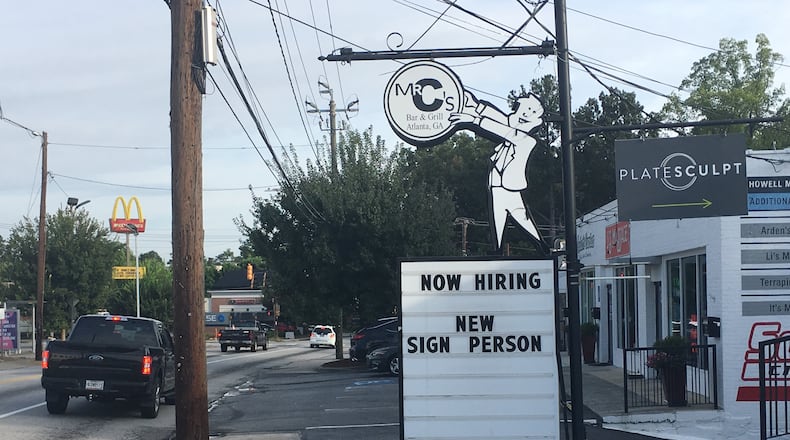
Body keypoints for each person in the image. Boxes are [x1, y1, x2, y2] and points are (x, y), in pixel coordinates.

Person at [449, 90, 547, 253]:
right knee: (500, 219)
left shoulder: (527, 140)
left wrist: (474, 119)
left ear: (535, 121)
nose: (523, 115)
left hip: (510, 187)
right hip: (497, 185)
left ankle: (541, 247)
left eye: (529, 113)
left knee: (521, 218)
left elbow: (502, 129)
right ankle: (499, 251)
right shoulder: (512, 128)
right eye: (521, 111)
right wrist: (476, 106)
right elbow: (501, 119)